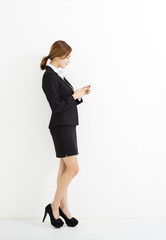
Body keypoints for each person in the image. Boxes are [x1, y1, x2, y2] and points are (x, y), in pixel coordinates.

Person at [40, 40, 91, 228]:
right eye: (67, 57)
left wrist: (79, 95)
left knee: (64, 170)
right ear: (58, 55)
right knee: (73, 169)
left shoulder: (58, 75)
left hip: (68, 125)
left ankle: (64, 208)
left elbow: (65, 101)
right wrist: (74, 96)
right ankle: (54, 206)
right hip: (61, 126)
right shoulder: (49, 77)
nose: (69, 60)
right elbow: (56, 107)